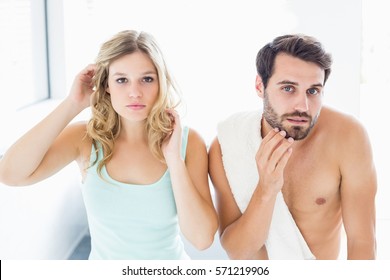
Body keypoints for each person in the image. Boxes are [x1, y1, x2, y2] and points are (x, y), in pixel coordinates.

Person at [0, 30, 218, 260]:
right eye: (121, 80)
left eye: (147, 79)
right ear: (106, 85)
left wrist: (174, 160)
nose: (135, 92)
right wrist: (72, 104)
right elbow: (10, 174)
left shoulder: (186, 141)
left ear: (161, 83)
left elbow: (202, 239)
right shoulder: (85, 138)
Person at [208, 34, 377, 260]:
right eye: (288, 88)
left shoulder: (347, 137)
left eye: (313, 91)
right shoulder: (229, 144)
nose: (303, 106)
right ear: (260, 86)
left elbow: (362, 241)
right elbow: (237, 252)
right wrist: (266, 189)